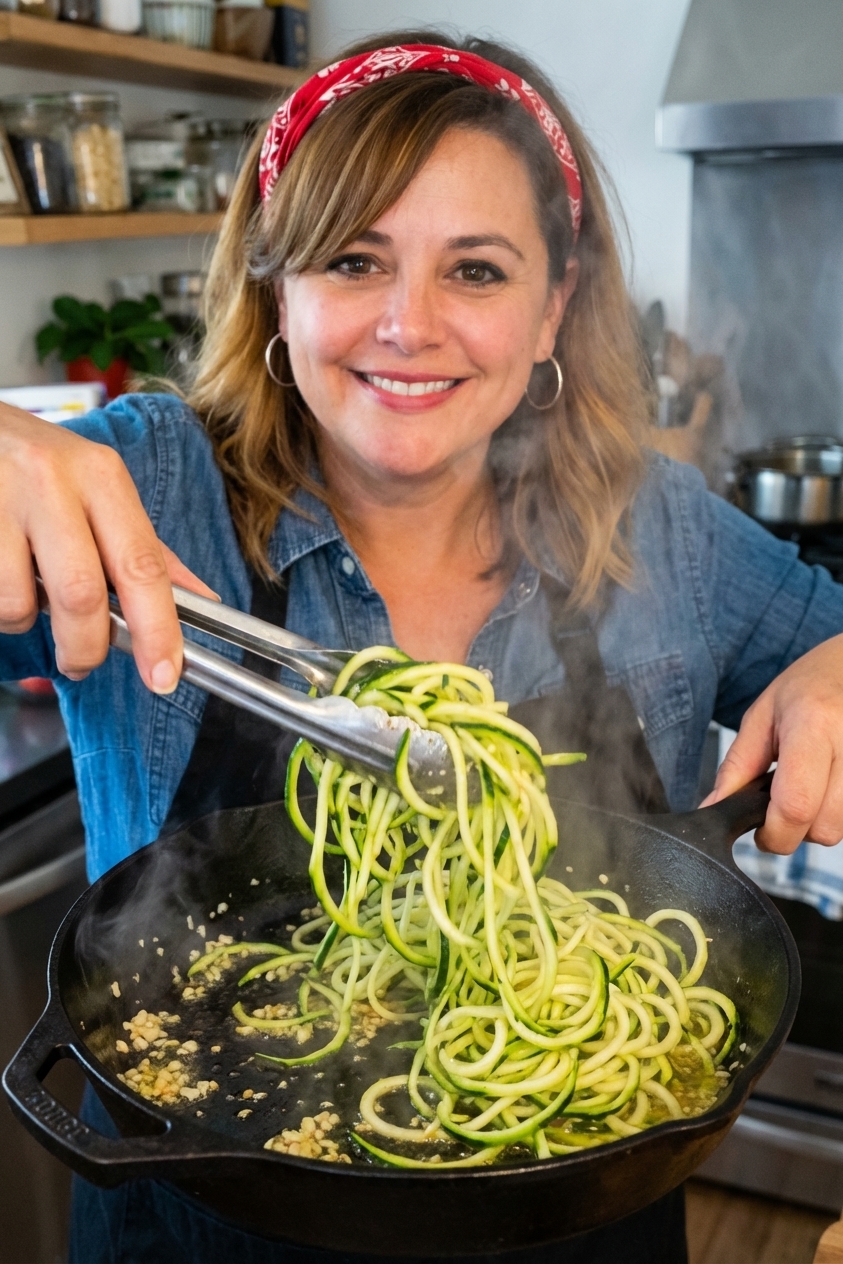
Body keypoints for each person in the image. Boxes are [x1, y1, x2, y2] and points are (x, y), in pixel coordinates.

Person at [2, 29, 843, 1264]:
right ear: (274, 292)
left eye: (478, 271)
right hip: (195, 1228)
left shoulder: (658, 528)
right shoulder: (147, 488)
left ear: (554, 306)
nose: (408, 324)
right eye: (354, 260)